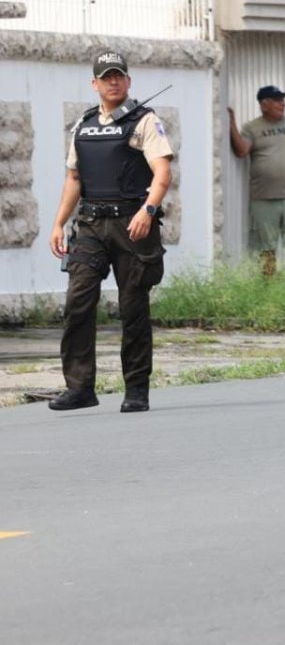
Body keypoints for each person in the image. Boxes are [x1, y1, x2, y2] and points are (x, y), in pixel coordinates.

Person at [48, 51, 174, 412]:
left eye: (119, 75)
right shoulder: (84, 125)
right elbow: (74, 178)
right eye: (106, 77)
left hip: (132, 225)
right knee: (78, 303)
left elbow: (162, 173)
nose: (113, 82)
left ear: (128, 81)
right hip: (89, 225)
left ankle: (136, 389)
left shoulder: (144, 121)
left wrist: (148, 211)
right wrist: (58, 222)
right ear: (95, 84)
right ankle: (79, 388)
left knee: (133, 307)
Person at [228, 85, 285, 276]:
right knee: (266, 249)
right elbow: (242, 150)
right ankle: (268, 287)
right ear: (264, 104)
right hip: (263, 200)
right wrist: (231, 122)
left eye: (283, 100)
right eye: (277, 100)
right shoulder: (252, 127)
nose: (282, 104)